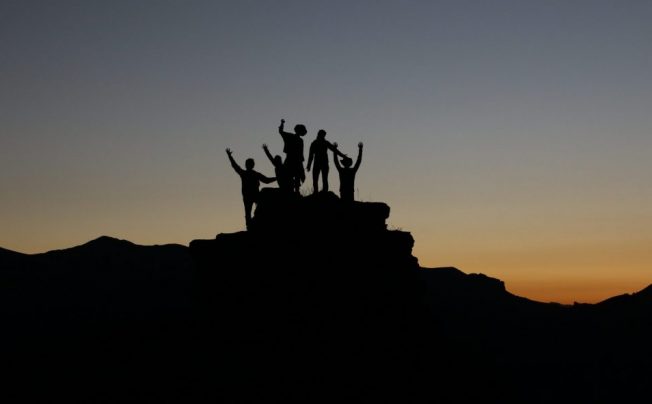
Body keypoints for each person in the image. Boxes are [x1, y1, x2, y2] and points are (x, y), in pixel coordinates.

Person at [226, 148, 276, 229]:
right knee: (249, 212)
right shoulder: (249, 174)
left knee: (250, 211)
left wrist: (276, 178)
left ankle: (252, 224)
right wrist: (230, 156)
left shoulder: (248, 174)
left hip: (251, 195)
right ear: (252, 165)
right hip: (250, 196)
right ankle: (250, 226)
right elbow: (266, 180)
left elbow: (266, 180)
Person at [306, 129, 347, 194]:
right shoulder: (315, 143)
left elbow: (334, 149)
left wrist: (342, 155)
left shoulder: (322, 142)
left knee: (323, 178)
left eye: (324, 135)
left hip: (323, 163)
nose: (323, 136)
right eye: (323, 135)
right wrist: (309, 165)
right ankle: (316, 192)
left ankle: (324, 191)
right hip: (318, 163)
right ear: (319, 134)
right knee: (316, 178)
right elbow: (311, 155)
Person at [277, 119, 306, 194]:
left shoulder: (300, 140)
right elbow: (281, 131)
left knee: (296, 176)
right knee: (290, 176)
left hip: (296, 160)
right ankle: (292, 191)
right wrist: (282, 123)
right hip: (291, 159)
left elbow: (301, 152)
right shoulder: (290, 136)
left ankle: (296, 191)